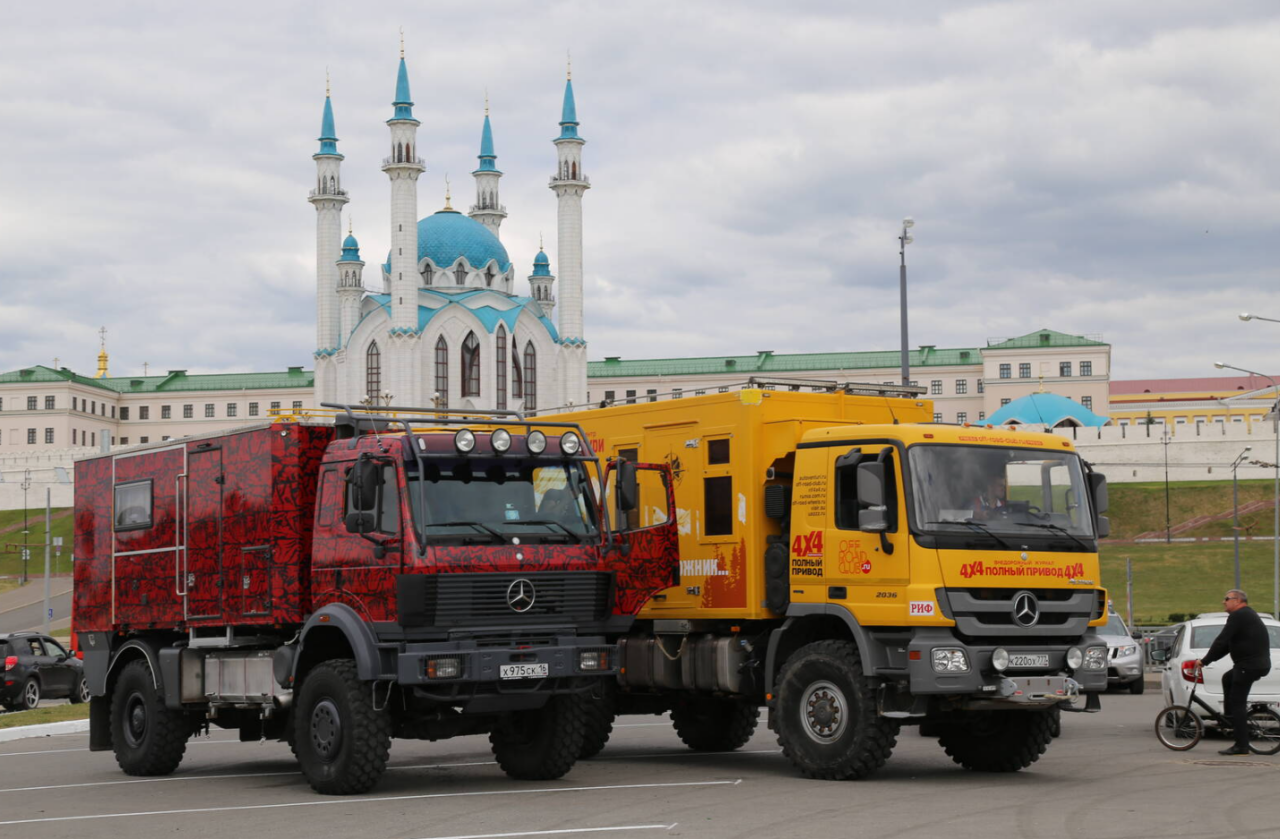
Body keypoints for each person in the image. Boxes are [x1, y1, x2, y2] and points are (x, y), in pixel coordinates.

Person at [1196, 589, 1272, 755]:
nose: (1224, 602)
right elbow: (1227, 645)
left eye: (1227, 599)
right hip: (1254, 665)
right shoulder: (1246, 615)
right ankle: (1230, 719)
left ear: (1238, 601)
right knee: (1227, 678)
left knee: (1238, 703)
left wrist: (1204, 661)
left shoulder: (1239, 616)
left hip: (1248, 666)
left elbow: (1221, 640)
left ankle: (1241, 745)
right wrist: (1207, 660)